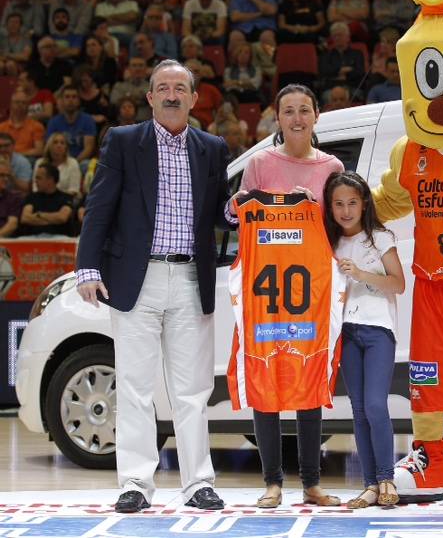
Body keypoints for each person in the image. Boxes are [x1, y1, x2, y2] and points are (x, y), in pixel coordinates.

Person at [75, 59, 234, 513]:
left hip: (189, 277)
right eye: (162, 87)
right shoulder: (124, 142)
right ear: (149, 97)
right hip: (135, 278)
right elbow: (99, 206)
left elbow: (221, 211)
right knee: (134, 385)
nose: (170, 95)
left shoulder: (212, 147)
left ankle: (197, 482)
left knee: (192, 389)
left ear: (193, 97)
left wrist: (237, 211)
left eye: (179, 88)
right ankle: (136, 484)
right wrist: (88, 267)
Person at [228, 83, 344, 509]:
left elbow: (341, 223)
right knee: (266, 380)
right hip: (265, 291)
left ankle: (311, 484)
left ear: (317, 116)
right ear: (277, 118)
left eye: (304, 110)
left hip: (312, 290)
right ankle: (272, 482)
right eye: (289, 111)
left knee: (310, 379)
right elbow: (236, 217)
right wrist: (241, 203)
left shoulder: (332, 166)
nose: (297, 118)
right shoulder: (259, 163)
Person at [323, 170, 405, 509]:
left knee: (375, 404)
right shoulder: (330, 243)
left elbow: (398, 283)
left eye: (352, 203)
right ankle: (370, 485)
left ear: (364, 203)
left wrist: (361, 275)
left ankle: (387, 478)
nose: (345, 211)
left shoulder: (380, 238)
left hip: (378, 331)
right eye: (338, 204)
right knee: (358, 410)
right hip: (347, 331)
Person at [19, 164, 74, 237]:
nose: (35, 181)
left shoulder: (66, 197)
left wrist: (39, 214)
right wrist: (53, 220)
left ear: (50, 180)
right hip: (33, 238)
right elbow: (25, 218)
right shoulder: (31, 197)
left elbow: (62, 217)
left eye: (39, 178)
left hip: (58, 238)